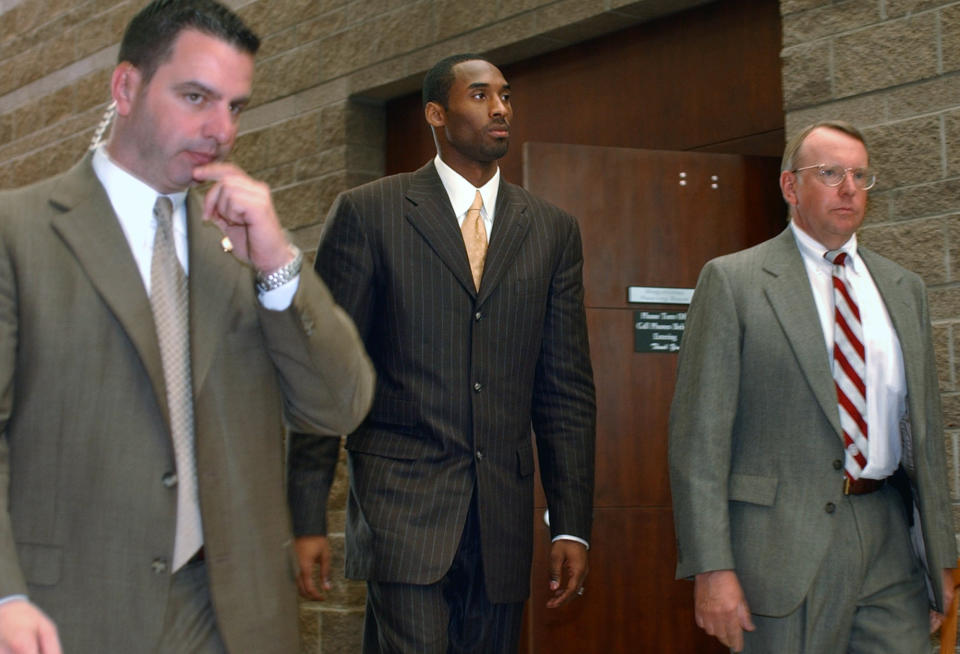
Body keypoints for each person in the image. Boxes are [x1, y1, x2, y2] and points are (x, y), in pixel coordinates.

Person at [0, 1, 375, 652]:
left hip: (235, 619)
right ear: (126, 87)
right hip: (71, 615)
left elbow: (339, 403)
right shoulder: (19, 233)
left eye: (236, 106)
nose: (220, 129)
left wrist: (278, 264)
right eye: (197, 96)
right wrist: (4, 595)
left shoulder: (242, 249)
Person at [287, 54, 596, 652]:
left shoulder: (552, 230)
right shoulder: (369, 213)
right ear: (436, 113)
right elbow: (322, 374)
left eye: (506, 96)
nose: (500, 108)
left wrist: (573, 525)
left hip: (501, 522)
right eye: (480, 95)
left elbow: (566, 391)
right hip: (401, 512)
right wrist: (305, 516)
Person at [669, 119, 957, 653]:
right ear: (790, 186)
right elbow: (699, 440)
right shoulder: (735, 282)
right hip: (781, 549)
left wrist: (939, 554)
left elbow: (926, 438)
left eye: (860, 176)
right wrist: (712, 567)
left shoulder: (903, 288)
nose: (849, 188)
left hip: (889, 533)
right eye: (830, 173)